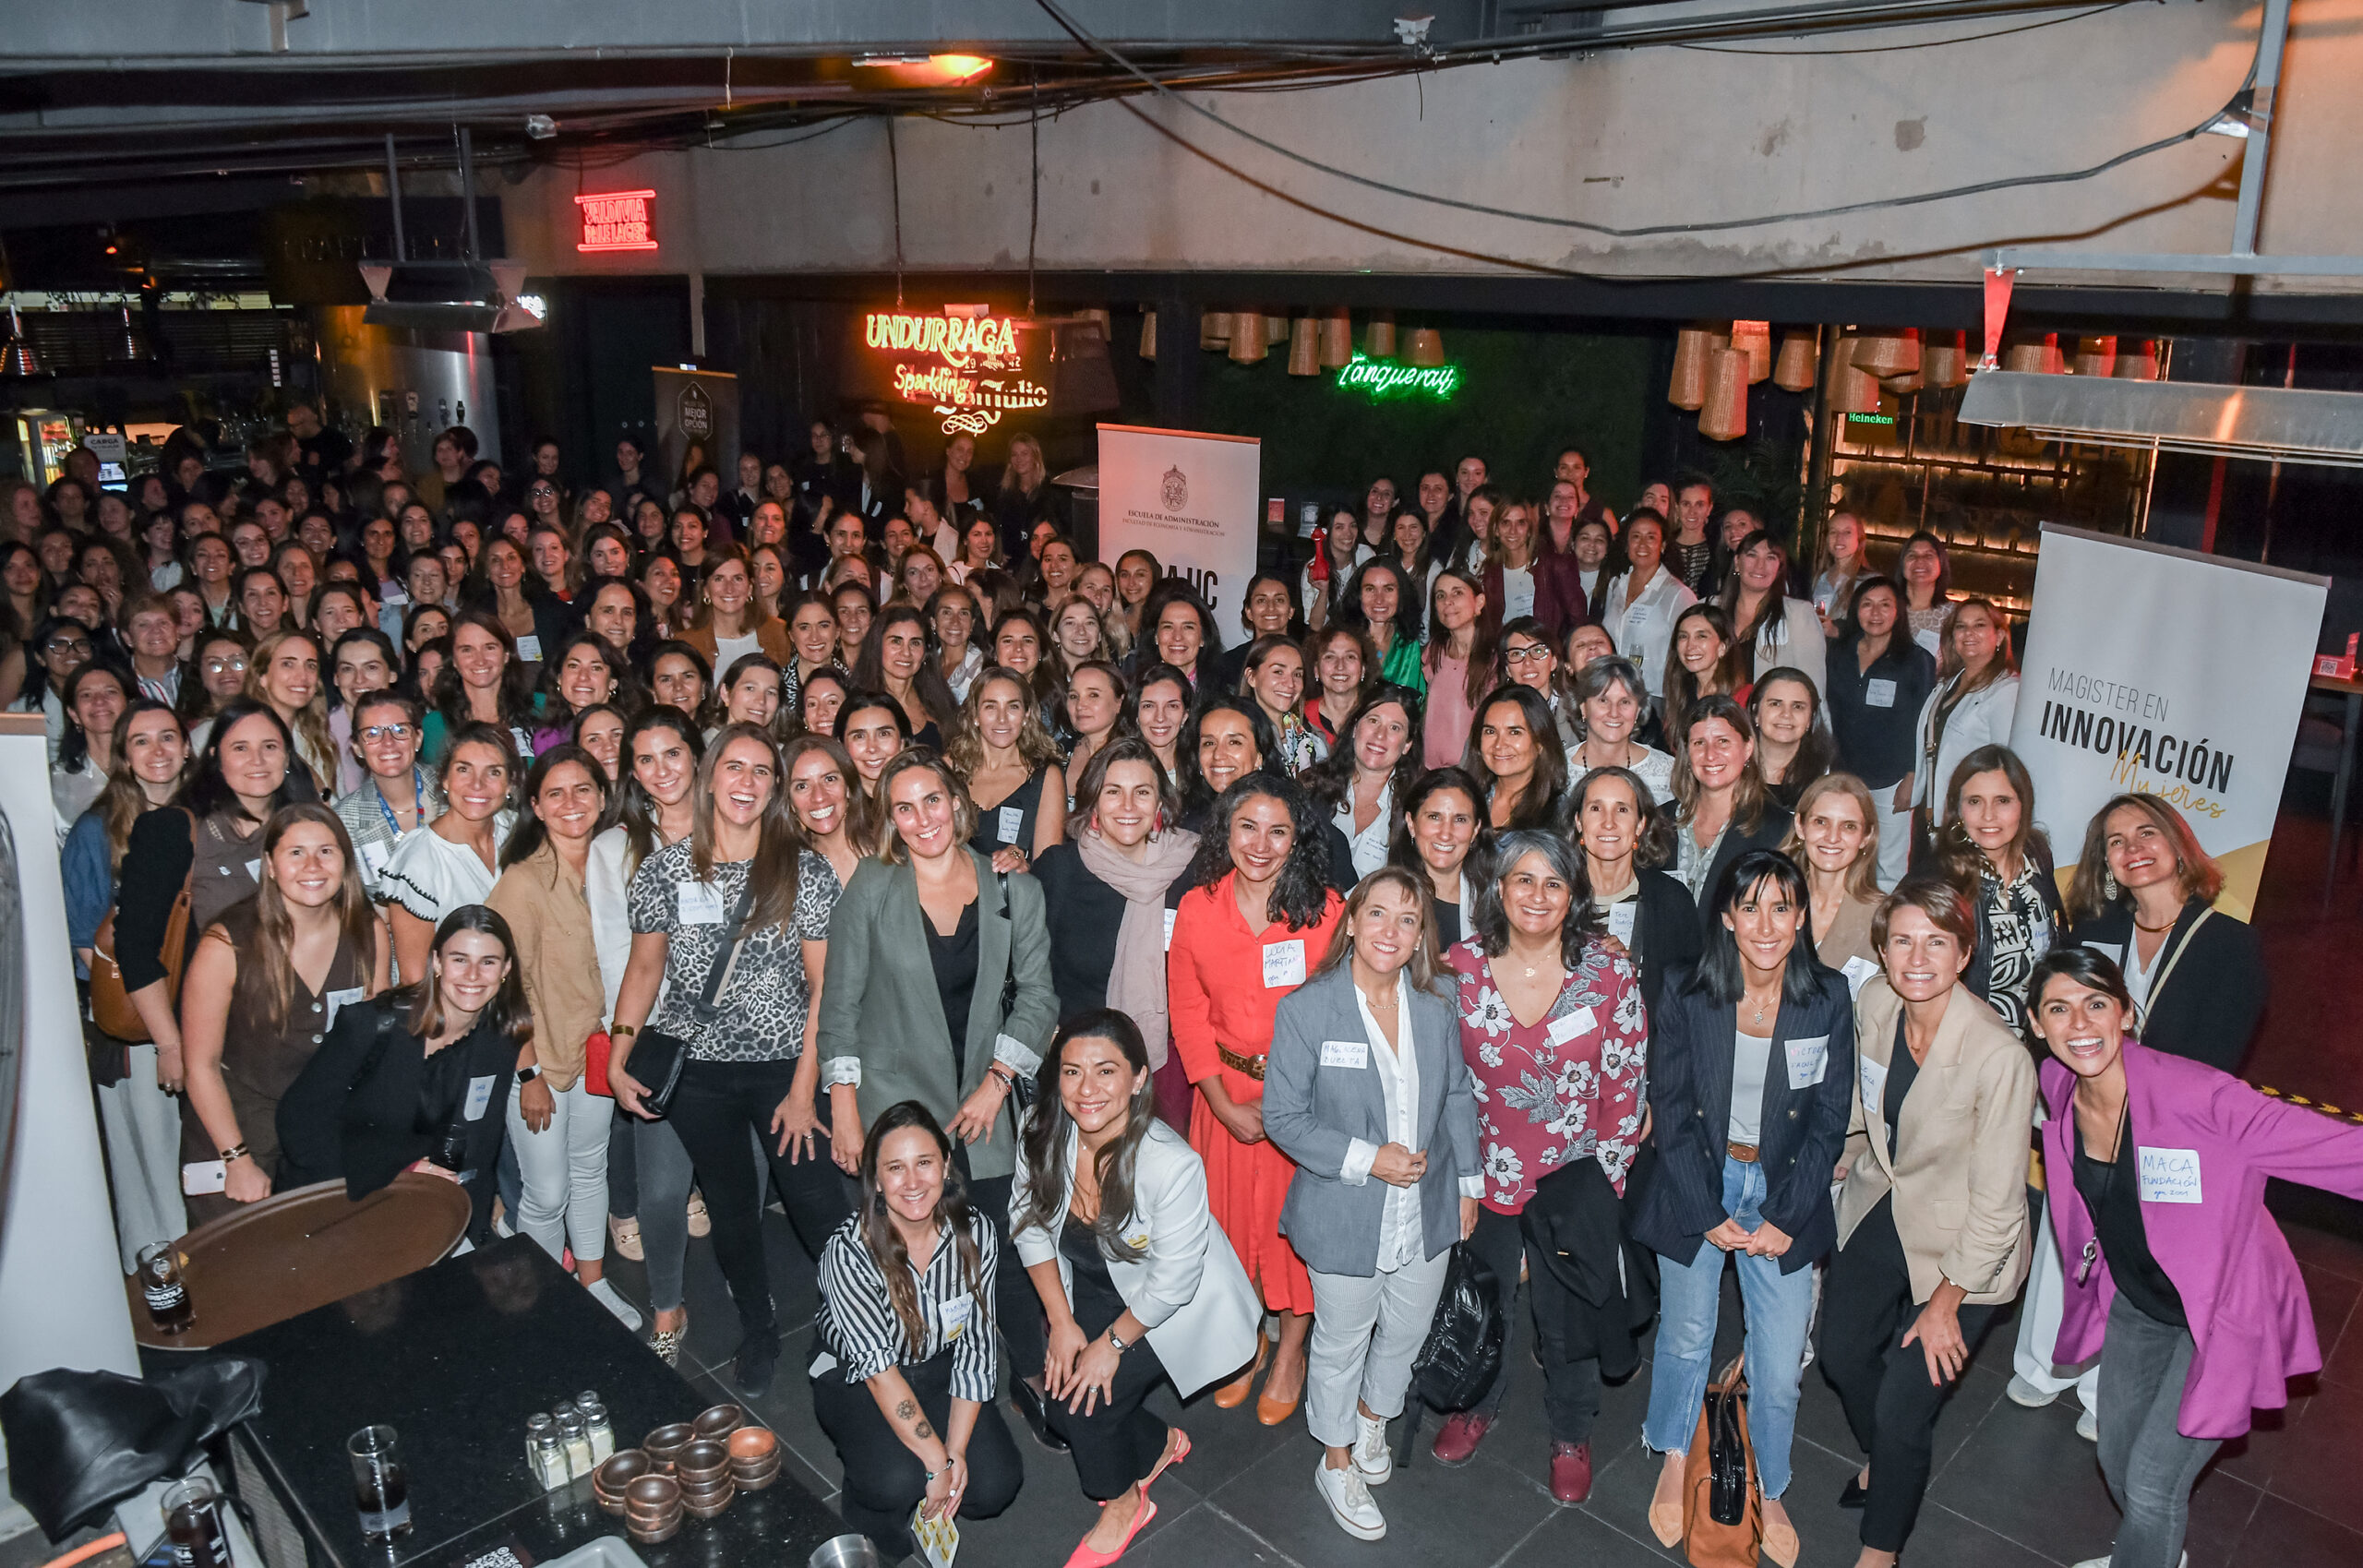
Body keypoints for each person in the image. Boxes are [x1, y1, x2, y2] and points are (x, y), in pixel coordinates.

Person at [2019, 948, 2363, 1568]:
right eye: (2059, 1009)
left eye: (2096, 1004)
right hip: (2139, 1301)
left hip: (2219, 1313)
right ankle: (2155, 1555)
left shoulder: (2198, 1096)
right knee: (2116, 1457)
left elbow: (2336, 1148)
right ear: (2037, 1025)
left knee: (2153, 1484)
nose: (2080, 1025)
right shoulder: (2058, 1083)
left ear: (2125, 1012)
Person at [816, 748, 1062, 1440]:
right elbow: (840, 1005)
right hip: (891, 1104)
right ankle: (900, 1375)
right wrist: (841, 1109)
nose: (922, 818)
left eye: (933, 800)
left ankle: (1032, 1377)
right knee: (897, 1245)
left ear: (959, 803)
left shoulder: (1015, 890)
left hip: (980, 1103)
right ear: (890, 819)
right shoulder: (872, 885)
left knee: (999, 1246)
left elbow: (1040, 996)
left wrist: (997, 1083)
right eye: (904, 806)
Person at [609, 723, 853, 1394]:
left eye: (761, 772)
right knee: (731, 1205)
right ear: (709, 776)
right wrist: (619, 1051)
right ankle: (758, 1324)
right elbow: (643, 967)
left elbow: (824, 988)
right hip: (699, 1070)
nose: (746, 783)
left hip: (784, 1066)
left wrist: (806, 1089)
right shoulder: (663, 870)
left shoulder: (803, 868)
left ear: (774, 787)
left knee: (816, 1203)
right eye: (734, 768)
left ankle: (853, 1316)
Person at [1637, 848, 1854, 1568]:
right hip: (1699, 1175)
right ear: (1727, 916)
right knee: (1688, 1332)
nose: (1766, 923)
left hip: (1785, 1188)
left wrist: (1788, 1215)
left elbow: (1829, 1117)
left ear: (1802, 916)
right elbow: (1667, 1105)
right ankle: (1672, 1449)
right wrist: (1704, 1210)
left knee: (1781, 1356)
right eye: (1750, 906)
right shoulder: (1686, 989)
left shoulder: (1827, 997)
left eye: (1782, 906)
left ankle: (1772, 1477)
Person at [1825, 873, 2036, 1568]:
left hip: (1970, 1241)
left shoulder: (2000, 1058)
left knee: (1902, 1405)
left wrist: (1948, 1300)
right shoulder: (1877, 1001)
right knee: (1843, 1354)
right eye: (1902, 941)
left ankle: (1880, 1551)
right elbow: (1868, 1100)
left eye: (1937, 942)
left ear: (1964, 952)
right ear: (1882, 950)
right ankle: (1887, 1460)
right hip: (1889, 1195)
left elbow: (2001, 1204)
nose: (1918, 958)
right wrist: (1837, 1155)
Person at [1263, 868, 1481, 1539]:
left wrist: (1469, 1183)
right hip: (1345, 1210)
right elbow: (1283, 1117)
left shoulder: (1438, 997)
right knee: (1341, 1342)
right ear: (1351, 921)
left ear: (1421, 934)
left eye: (1407, 919)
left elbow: (1456, 1095)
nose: (1391, 930)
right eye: (1377, 914)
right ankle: (1335, 1461)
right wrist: (1369, 1157)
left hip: (1430, 1205)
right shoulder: (1308, 1009)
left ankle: (1371, 1422)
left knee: (1408, 1333)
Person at [1435, 834, 1648, 1498]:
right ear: (1497, 888)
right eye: (1522, 879)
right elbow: (1442, 1081)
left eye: (1553, 883)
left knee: (1569, 1315)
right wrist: (1458, 1173)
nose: (1536, 894)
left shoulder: (1607, 974)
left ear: (1573, 895)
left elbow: (1626, 1083)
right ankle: (1478, 1402)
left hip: (1576, 1174)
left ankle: (1570, 1429)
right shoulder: (1458, 968)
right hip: (1487, 1169)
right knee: (1484, 1302)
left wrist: (1605, 1185)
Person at [1012, 1011, 1260, 1564]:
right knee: (1058, 1398)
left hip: (1169, 1306)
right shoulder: (1042, 1127)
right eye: (1072, 1072)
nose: (1087, 1090)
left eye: (1106, 1071)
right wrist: (1061, 1320)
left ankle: (1125, 1504)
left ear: (1139, 1078)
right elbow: (1027, 1223)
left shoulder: (1170, 1165)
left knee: (1081, 1410)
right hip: (1097, 1283)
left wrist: (1111, 1346)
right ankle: (1160, 1443)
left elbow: (1173, 1280)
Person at [1165, 772, 1344, 1424]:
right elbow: (1186, 1011)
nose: (1261, 844)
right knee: (1230, 1230)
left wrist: (1292, 1107)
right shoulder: (1196, 908)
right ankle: (1243, 1344)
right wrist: (1217, 1100)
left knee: (1295, 1231)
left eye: (1278, 831)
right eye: (1248, 827)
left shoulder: (1326, 912)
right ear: (1225, 830)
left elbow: (1340, 1016)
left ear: (1298, 840)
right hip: (1224, 1096)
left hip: (1304, 1102)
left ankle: (1292, 1348)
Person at [810, 1102, 1025, 1563]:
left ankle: (914, 1467)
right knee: (892, 1481)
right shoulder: (849, 1253)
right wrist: (935, 1462)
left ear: (946, 1166)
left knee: (994, 1486)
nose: (912, 1182)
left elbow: (977, 1347)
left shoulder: (976, 1234)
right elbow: (880, 1374)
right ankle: (864, 1500)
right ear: (877, 1180)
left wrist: (956, 1452)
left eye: (924, 1163)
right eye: (895, 1168)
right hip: (859, 1373)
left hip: (938, 1362)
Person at [485, 745, 639, 1328]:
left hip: (598, 1051)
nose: (571, 803)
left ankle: (593, 1286)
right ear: (535, 807)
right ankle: (547, 1308)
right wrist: (527, 1074)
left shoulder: (617, 865)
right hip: (540, 1060)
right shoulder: (523, 882)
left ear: (603, 798)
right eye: (556, 793)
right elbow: (502, 985)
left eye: (583, 790)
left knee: (588, 1168)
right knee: (545, 1194)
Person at [176, 803, 390, 1221]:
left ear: (345, 862)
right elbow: (199, 1066)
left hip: (322, 1130)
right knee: (238, 1268)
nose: (312, 865)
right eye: (295, 853)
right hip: (236, 1129)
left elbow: (374, 1050)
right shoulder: (226, 944)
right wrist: (236, 1160)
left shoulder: (369, 933)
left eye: (326, 851)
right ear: (270, 866)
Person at [275, 904, 527, 1243]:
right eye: (459, 959)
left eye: (488, 962)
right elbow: (297, 1124)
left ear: (506, 969)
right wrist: (399, 1173)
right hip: (336, 1203)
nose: (472, 975)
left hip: (416, 1214)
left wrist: (477, 1234)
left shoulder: (498, 1041)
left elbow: (480, 1147)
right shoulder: (371, 1026)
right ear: (436, 962)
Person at [586, 708, 706, 1362]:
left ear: (695, 755)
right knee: (662, 1188)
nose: (662, 770)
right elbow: (616, 953)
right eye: (646, 759)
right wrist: (623, 1047)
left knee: (747, 1178)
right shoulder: (614, 848)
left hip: (744, 1035)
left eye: (672, 753)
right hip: (661, 1033)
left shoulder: (737, 826)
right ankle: (667, 1302)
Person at [65, 700, 190, 1267]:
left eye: (168, 737)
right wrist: (151, 1010)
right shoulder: (95, 830)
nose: (158, 751)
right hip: (135, 1021)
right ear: (123, 755)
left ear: (188, 747)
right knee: (149, 1161)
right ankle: (157, 1286)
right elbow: (82, 943)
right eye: (142, 741)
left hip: (206, 1010)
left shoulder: (207, 818)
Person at [1030, 742, 1200, 1130]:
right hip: (1081, 1074)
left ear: (1160, 804)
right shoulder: (1059, 872)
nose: (1128, 806)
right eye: (1113, 792)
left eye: (1142, 792)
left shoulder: (1192, 869)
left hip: (1169, 1070)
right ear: (1093, 802)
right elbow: (1032, 978)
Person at [2063, 794, 2264, 1071]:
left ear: (2178, 845)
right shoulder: (2091, 929)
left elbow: (2215, 1063)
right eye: (2117, 841)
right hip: (2088, 1094)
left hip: (2176, 1103)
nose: (2133, 848)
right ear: (2108, 863)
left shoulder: (2232, 945)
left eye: (2146, 833)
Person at [1935, 743, 2062, 1025]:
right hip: (1972, 1041)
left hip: (2040, 1040)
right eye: (1975, 801)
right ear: (1958, 810)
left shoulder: (2039, 858)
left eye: (2003, 801)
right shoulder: (1939, 879)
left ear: (2023, 805)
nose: (1988, 815)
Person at [380, 724, 516, 981]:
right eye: (463, 770)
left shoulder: (517, 832)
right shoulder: (419, 860)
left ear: (509, 785)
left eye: (494, 772)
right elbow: (416, 979)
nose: (477, 784)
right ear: (444, 779)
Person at [1826, 578, 1935, 891]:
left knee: (1890, 865)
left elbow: (1922, 723)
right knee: (1844, 852)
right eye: (1867, 604)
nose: (1875, 613)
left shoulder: (1917, 661)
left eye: (1885, 605)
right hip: (1844, 774)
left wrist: (1913, 778)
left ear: (1898, 612)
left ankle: (1886, 930)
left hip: (1892, 781)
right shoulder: (1839, 652)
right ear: (1856, 610)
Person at [1567, 765, 1699, 1011]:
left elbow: (1690, 1001)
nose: (1609, 823)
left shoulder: (1672, 901)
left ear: (1640, 825)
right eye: (1596, 808)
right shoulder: (1550, 899)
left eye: (1622, 810)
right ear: (1578, 821)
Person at [1670, 694, 1793, 926]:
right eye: (1699, 743)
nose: (1710, 754)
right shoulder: (1660, 822)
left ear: (1747, 749)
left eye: (1723, 742)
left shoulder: (1778, 829)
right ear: (1687, 754)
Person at [1907, 596, 2018, 849]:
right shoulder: (1948, 683)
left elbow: (2005, 765)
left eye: (1979, 625)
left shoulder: (2006, 691)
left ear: (1999, 637)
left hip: (1969, 816)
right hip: (1932, 808)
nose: (1969, 633)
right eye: (1960, 626)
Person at [949, 666, 1066, 875]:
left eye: (1012, 707)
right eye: (990, 707)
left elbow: (1048, 870)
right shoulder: (949, 769)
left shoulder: (1046, 776)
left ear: (1026, 715)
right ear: (975, 714)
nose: (1002, 718)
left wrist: (1020, 860)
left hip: (1013, 900)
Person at [333, 689, 445, 902]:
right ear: (357, 747)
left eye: (399, 730)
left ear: (418, 738)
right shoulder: (344, 822)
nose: (388, 742)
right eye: (372, 733)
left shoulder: (453, 793)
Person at [1783, 772, 1885, 979]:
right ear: (1800, 827)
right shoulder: (1769, 901)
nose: (1832, 837)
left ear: (1866, 837)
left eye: (1849, 826)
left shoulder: (1883, 916)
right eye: (1821, 822)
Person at [1601, 509, 1697, 703]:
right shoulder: (1616, 587)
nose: (1642, 544)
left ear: (1662, 546)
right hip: (1612, 696)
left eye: (1651, 537)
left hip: (1656, 700)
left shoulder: (1678, 594)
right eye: (1636, 536)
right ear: (1626, 545)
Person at [1386, 767, 1487, 949]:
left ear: (1475, 830)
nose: (1445, 834)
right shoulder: (1377, 895)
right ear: (1411, 823)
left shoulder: (1496, 903)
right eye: (1434, 817)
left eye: (1460, 820)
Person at [1723, 530, 1827, 697]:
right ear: (1737, 562)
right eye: (1752, 555)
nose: (1760, 565)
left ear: (1779, 567)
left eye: (1770, 557)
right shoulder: (1711, 608)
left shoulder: (1798, 615)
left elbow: (1814, 687)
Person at [1564, 655, 1677, 804]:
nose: (1614, 712)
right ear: (1583, 708)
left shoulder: (1668, 772)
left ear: (1638, 710)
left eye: (1625, 702)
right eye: (1603, 700)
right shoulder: (1559, 772)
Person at [1420, 567, 1496, 770]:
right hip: (1432, 772)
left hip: (1475, 773)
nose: (1448, 602)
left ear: (1479, 603)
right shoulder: (1433, 652)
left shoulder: (1495, 659)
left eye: (1457, 593)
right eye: (1440, 595)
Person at [1467, 684, 1565, 832]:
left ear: (1540, 742)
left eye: (1514, 732)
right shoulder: (1465, 799)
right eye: (1490, 731)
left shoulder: (1561, 814)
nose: (1499, 744)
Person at [1750, 666, 1838, 813]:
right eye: (1775, 704)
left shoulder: (1825, 779)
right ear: (1755, 712)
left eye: (1798, 706)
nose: (1786, 714)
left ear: (1811, 719)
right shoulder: (1732, 767)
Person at [1333, 558, 1424, 692]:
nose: (1379, 599)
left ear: (1401, 595)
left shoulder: (1408, 644)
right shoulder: (1340, 642)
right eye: (1370, 589)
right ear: (1358, 595)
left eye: (1388, 589)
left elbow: (1415, 701)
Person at [1663, 603, 1745, 744]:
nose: (1690, 646)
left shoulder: (1743, 698)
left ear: (1722, 647)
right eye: (1683, 636)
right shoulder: (1680, 694)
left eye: (1701, 636)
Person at [1303, 625, 1370, 751]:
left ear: (1363, 670)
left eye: (1350, 657)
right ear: (1316, 670)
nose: (1340, 666)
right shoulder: (1298, 719)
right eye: (1330, 657)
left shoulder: (1377, 716)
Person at [1812, 511, 1874, 635]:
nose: (1839, 538)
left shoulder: (1871, 583)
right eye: (1833, 532)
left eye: (1847, 532)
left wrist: (1836, 631)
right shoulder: (1818, 579)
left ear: (1859, 538)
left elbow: (1875, 630)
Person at [1893, 531, 1953, 656]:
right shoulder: (1886, 610)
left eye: (1928, 556)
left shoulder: (1954, 615)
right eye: (1912, 556)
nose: (1920, 561)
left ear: (1941, 563)